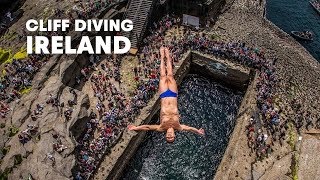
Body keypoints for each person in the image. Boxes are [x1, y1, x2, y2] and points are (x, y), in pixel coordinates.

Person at [128, 47, 204, 143]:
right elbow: (189, 128)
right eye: (171, 137)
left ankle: (162, 56)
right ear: (174, 135)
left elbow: (147, 127)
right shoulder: (178, 127)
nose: (169, 136)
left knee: (163, 76)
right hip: (173, 95)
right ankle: (167, 56)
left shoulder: (161, 127)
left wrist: (136, 127)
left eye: (168, 137)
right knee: (170, 75)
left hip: (164, 95)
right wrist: (198, 131)